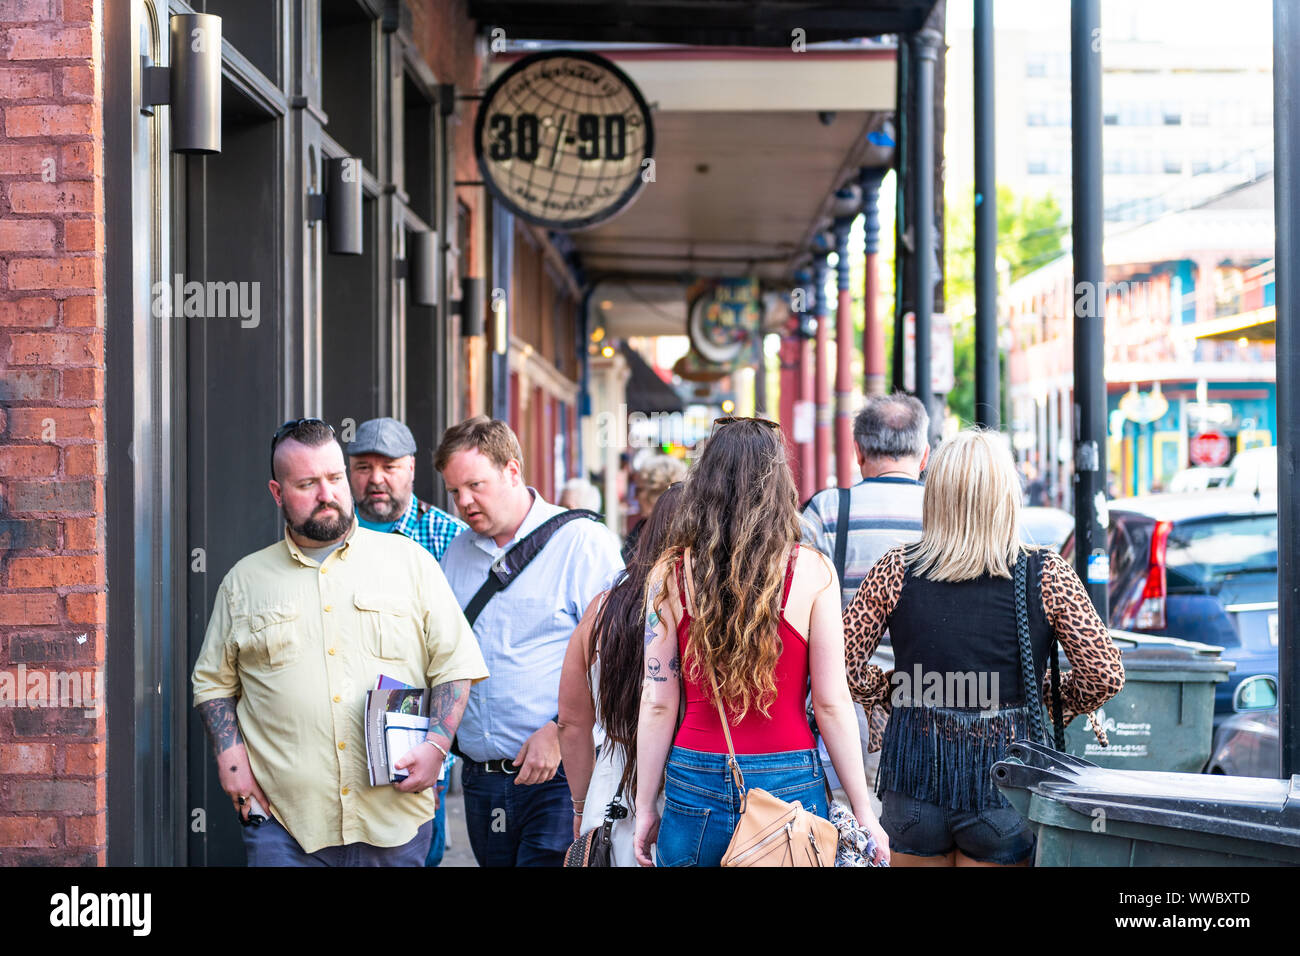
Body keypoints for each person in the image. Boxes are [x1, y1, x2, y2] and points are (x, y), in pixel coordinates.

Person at [191, 418, 489, 866]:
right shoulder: (244, 582)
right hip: (285, 826)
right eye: (307, 483)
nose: (326, 494)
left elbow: (455, 664)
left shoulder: (411, 562)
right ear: (277, 493)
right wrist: (231, 760)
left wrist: (437, 745)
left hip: (393, 820)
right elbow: (213, 683)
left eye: (333, 479)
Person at [843, 429, 1126, 867]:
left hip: (914, 782)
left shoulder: (896, 568)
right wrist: (1052, 698)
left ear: (935, 494)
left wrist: (890, 690)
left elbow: (843, 661)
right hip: (1005, 784)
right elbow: (1105, 671)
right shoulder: (1045, 572)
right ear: (1005, 495)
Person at [633, 417, 888, 867]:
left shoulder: (669, 576)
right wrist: (863, 809)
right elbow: (830, 704)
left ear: (704, 485)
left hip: (694, 776)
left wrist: (645, 805)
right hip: (789, 781)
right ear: (778, 486)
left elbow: (657, 702)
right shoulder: (813, 572)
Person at [436, 416, 624, 866]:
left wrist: (560, 730)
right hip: (482, 781)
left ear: (512, 470)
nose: (464, 502)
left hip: (561, 778)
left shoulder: (584, 543)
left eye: (475, 485)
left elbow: (617, 658)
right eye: (454, 491)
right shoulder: (456, 554)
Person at [347, 416, 467, 867]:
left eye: (389, 466)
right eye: (363, 466)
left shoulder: (451, 540)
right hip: (339, 739)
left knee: (416, 855)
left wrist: (439, 748)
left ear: (412, 468)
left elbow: (457, 653)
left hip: (417, 738)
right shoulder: (328, 537)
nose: (376, 478)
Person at [557, 482, 683, 866]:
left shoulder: (601, 607)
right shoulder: (701, 613)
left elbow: (571, 722)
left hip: (609, 796)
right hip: (687, 793)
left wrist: (581, 805)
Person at [623, 453, 687, 560]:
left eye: (639, 490)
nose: (635, 497)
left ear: (658, 491)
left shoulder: (683, 535)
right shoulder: (641, 529)